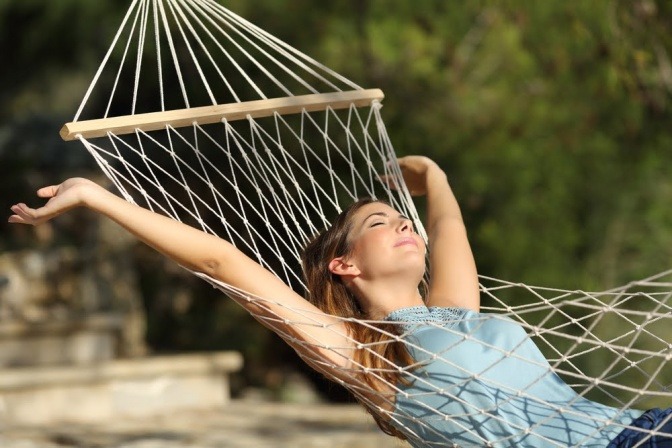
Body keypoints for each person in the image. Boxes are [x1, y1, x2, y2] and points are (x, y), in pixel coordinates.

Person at [9, 156, 671, 447]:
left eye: (403, 218)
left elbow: (449, 229)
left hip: (637, 430)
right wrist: (98, 198)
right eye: (383, 221)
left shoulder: (456, 310)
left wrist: (432, 177)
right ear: (344, 264)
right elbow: (223, 260)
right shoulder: (363, 359)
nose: (405, 225)